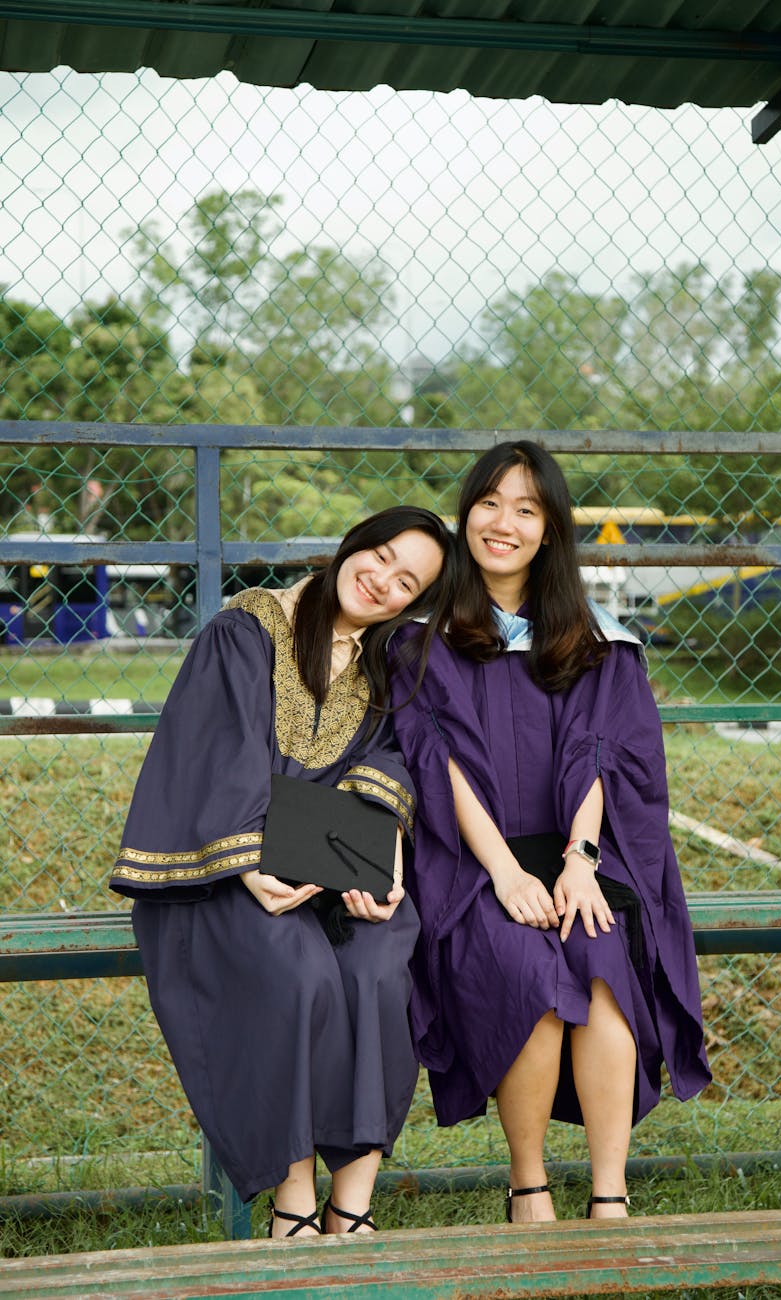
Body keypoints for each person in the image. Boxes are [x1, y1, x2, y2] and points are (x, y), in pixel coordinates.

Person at [389, 442, 711, 1223]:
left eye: (526, 509)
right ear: (466, 512)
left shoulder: (598, 642)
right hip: (474, 861)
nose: (503, 523)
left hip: (579, 849)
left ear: (550, 529)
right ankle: (528, 1187)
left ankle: (609, 1194)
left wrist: (580, 862)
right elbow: (442, 767)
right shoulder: (419, 639)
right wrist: (501, 872)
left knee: (601, 965)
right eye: (490, 503)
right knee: (526, 974)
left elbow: (602, 756)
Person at [110, 506, 452, 1239]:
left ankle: (350, 1208)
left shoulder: (385, 663)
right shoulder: (248, 631)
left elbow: (391, 758)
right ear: (351, 542)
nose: (381, 580)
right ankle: (292, 1204)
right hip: (220, 869)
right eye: (380, 554)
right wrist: (246, 868)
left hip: (329, 863)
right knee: (298, 974)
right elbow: (216, 755)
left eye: (406, 581)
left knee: (378, 969)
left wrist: (380, 842)